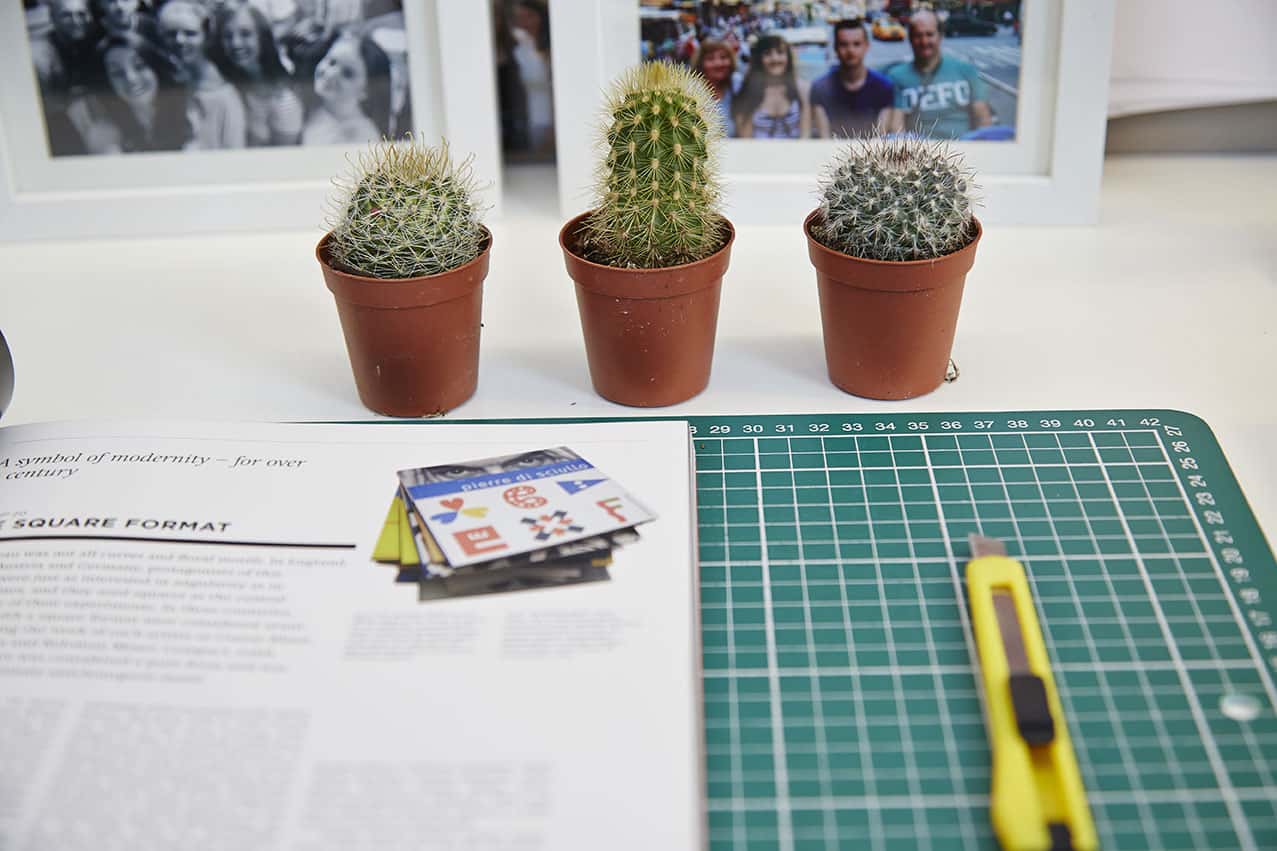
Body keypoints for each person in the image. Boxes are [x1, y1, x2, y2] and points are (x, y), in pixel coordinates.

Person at [884, 9, 992, 139]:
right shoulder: (896, 76)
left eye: (929, 34)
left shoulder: (966, 70)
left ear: (940, 36)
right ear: (910, 39)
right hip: (922, 153)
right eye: (918, 35)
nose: (924, 41)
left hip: (963, 150)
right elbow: (897, 129)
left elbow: (982, 120)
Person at [210, 2, 304, 146]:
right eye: (227, 36)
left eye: (245, 34)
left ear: (262, 38)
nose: (235, 43)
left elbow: (284, 160)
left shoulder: (283, 101)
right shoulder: (227, 81)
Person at [157, 0, 247, 149]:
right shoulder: (164, 78)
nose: (179, 40)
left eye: (190, 33)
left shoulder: (222, 94)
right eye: (171, 34)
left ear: (205, 37)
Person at [31, 0, 104, 156]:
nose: (76, 21)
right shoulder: (41, 55)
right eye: (66, 15)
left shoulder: (93, 40)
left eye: (81, 14)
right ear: (53, 17)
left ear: (90, 16)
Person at [96, 33, 188, 152]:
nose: (131, 79)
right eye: (117, 73)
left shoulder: (193, 115)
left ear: (156, 67)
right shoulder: (103, 134)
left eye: (139, 66)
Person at [301, 31, 392, 145]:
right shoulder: (312, 105)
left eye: (347, 73)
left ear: (365, 91)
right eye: (331, 62)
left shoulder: (362, 139)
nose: (330, 74)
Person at [810, 18, 893, 138]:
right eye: (844, 44)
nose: (850, 50)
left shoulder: (883, 87)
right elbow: (824, 139)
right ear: (835, 48)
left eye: (857, 44)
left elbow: (880, 138)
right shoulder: (820, 88)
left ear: (866, 46)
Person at [732, 34, 809, 139]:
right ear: (759, 59)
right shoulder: (747, 91)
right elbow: (746, 140)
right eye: (767, 54)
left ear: (788, 57)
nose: (775, 59)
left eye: (780, 52)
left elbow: (805, 137)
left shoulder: (802, 89)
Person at [510, 0, 553, 155]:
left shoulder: (552, 47)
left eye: (529, 16)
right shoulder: (519, 50)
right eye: (519, 17)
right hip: (528, 123)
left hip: (552, 121)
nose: (524, 22)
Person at [691, 38, 738, 138]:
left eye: (723, 57)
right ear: (701, 63)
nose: (718, 63)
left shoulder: (737, 84)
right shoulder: (690, 91)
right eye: (710, 59)